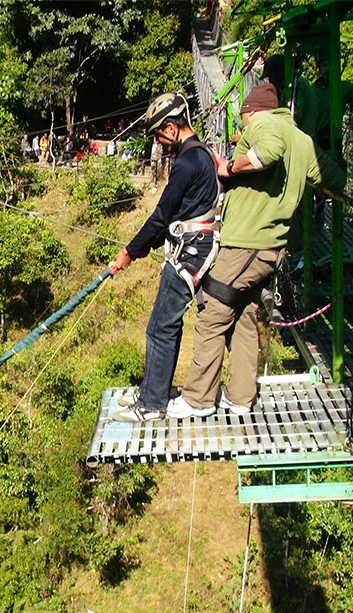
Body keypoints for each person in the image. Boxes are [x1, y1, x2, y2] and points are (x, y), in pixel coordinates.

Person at [167, 83, 346, 419]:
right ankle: (240, 397)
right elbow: (334, 179)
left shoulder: (266, 124)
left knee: (213, 310)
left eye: (243, 120)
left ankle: (198, 399)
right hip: (270, 248)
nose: (242, 128)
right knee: (245, 313)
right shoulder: (303, 140)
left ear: (250, 111)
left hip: (247, 243)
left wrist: (230, 168)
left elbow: (270, 150)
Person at [109, 93, 222, 422]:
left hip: (190, 252)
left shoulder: (188, 162)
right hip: (191, 245)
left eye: (159, 134)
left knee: (161, 327)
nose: (159, 142)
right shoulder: (200, 155)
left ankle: (153, 403)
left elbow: (161, 216)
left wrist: (129, 252)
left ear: (171, 129)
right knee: (164, 325)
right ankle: (151, 392)